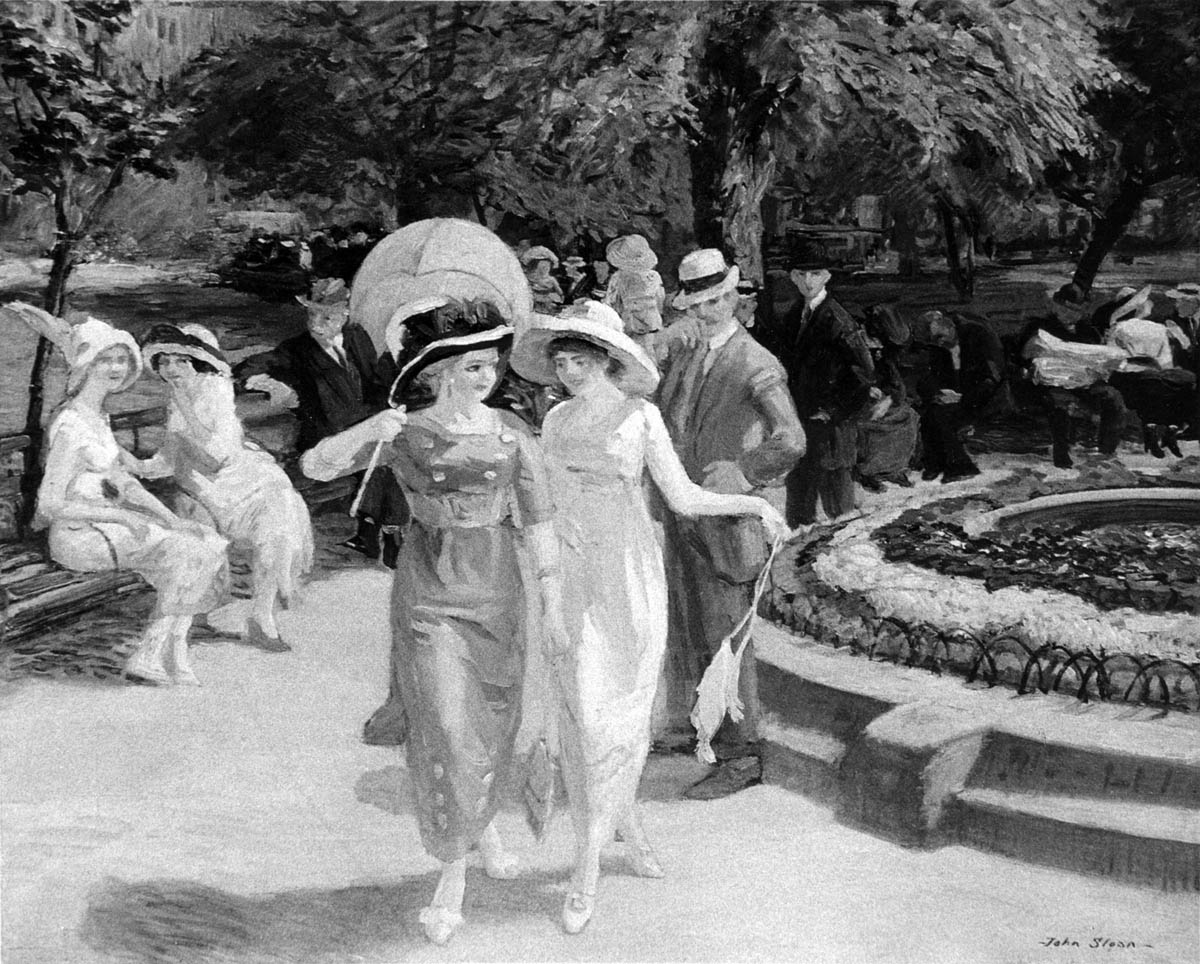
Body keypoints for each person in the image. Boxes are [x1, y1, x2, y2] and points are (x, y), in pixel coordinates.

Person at [511, 300, 789, 934]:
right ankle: (604, 844)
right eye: (562, 359)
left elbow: (684, 498)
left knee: (622, 714)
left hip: (630, 575)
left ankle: (593, 859)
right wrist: (545, 576)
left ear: (610, 361)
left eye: (581, 358)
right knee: (579, 712)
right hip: (572, 573)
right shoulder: (554, 421)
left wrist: (751, 504)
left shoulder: (641, 418)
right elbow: (542, 505)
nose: (569, 369)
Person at [300, 301, 562, 948]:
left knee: (490, 720)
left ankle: (487, 830)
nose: (484, 376)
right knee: (445, 724)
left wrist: (554, 602)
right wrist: (367, 431)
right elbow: (314, 469)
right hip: (428, 589)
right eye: (471, 365)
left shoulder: (512, 435)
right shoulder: (406, 432)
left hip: (499, 587)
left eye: (491, 365)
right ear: (440, 368)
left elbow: (541, 524)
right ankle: (453, 876)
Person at [8, 307, 228, 685]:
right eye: (105, 359)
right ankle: (154, 653)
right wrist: (123, 517)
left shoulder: (98, 418)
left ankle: (167, 651)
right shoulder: (71, 424)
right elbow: (50, 504)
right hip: (78, 537)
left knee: (205, 540)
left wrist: (171, 519)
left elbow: (125, 484)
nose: (116, 368)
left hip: (105, 528)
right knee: (189, 553)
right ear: (85, 365)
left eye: (122, 359)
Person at [656, 249, 805, 799]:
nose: (711, 310)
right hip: (687, 510)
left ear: (736, 298)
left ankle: (743, 753)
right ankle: (697, 724)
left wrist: (744, 471)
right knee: (686, 622)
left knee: (729, 633)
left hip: (733, 518)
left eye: (719, 299)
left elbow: (791, 439)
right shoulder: (690, 354)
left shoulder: (756, 361)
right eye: (699, 303)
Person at [136, 324, 314, 651]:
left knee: (278, 513)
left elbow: (215, 454)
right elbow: (170, 455)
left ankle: (262, 615)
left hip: (238, 478)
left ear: (198, 363)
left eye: (181, 361)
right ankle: (205, 610)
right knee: (198, 515)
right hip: (207, 485)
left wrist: (184, 408)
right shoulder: (180, 398)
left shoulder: (214, 388)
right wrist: (131, 466)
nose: (171, 370)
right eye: (165, 362)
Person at [233, 277, 408, 567]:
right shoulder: (296, 350)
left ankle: (373, 533)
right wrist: (255, 379)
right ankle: (386, 533)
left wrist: (391, 396)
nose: (316, 324)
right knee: (383, 452)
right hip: (325, 434)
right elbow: (257, 363)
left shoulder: (357, 338)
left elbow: (373, 381)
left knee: (389, 447)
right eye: (311, 314)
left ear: (344, 315)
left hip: (363, 424)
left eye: (325, 316)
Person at [779, 267, 878, 525]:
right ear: (793, 277)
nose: (808, 281)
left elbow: (863, 375)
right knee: (799, 507)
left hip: (831, 429)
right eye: (801, 274)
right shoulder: (793, 316)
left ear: (827, 277)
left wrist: (832, 411)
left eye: (815, 274)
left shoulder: (839, 320)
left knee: (840, 514)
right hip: (801, 425)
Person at [1017, 284, 1128, 469]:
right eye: (1065, 308)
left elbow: (1099, 357)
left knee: (1113, 397)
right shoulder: (1039, 326)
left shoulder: (1088, 330)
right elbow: (1020, 357)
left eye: (1075, 310)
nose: (1070, 314)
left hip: (1084, 381)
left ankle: (1106, 451)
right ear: (1056, 306)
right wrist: (1029, 359)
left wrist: (1100, 369)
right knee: (1059, 402)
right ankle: (1062, 453)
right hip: (1049, 382)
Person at [911, 309, 1010, 483]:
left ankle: (961, 466)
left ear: (949, 325)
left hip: (985, 397)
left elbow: (992, 378)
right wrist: (937, 393)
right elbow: (930, 376)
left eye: (940, 337)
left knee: (940, 416)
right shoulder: (939, 347)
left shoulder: (978, 335)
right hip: (957, 398)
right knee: (931, 413)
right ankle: (936, 464)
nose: (940, 343)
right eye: (934, 341)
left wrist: (963, 398)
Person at [855, 305, 919, 491]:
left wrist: (889, 398)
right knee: (871, 423)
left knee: (908, 416)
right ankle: (867, 472)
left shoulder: (883, 350)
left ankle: (892, 469)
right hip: (853, 397)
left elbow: (894, 380)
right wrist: (865, 389)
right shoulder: (851, 341)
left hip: (878, 397)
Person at [603, 234, 666, 351]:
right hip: (653, 323)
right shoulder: (655, 276)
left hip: (630, 326)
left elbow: (611, 304)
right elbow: (660, 300)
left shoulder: (618, 278)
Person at [521, 245, 564, 314]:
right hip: (534, 300)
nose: (545, 269)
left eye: (547, 267)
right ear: (535, 267)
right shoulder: (530, 279)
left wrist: (561, 295)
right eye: (542, 268)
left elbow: (558, 290)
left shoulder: (551, 279)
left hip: (547, 300)